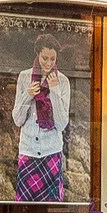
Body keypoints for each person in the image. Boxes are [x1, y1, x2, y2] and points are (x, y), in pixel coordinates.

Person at [10, 40, 72, 204]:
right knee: (24, 209)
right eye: (45, 58)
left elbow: (61, 124)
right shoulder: (24, 77)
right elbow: (17, 119)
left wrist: (55, 90)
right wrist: (28, 95)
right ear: (37, 54)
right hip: (28, 150)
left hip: (51, 151)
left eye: (53, 59)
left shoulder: (63, 81)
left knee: (52, 211)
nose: (49, 63)